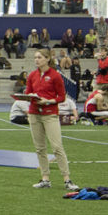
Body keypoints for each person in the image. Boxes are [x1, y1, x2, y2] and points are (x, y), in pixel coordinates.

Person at [24, 49, 77, 189]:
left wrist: (48, 101)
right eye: (35, 57)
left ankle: (67, 180)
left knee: (57, 147)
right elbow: (28, 92)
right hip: (34, 113)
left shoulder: (55, 76)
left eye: (39, 57)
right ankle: (45, 179)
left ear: (47, 59)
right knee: (39, 148)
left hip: (50, 114)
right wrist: (29, 96)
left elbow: (61, 96)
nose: (36, 60)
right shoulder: (32, 75)